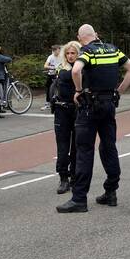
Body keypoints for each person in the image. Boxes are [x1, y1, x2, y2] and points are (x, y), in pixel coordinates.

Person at [57, 24, 130, 213]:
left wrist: (78, 91)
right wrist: (118, 92)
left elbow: (76, 71)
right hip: (109, 105)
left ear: (79, 37)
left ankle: (79, 199)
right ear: (96, 35)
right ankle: (111, 192)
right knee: (109, 146)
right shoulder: (112, 50)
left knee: (85, 150)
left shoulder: (87, 52)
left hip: (89, 106)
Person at [52, 41, 81, 194]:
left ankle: (75, 176)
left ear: (78, 54)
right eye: (68, 53)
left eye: (73, 53)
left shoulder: (82, 68)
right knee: (62, 147)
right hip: (62, 110)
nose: (70, 56)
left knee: (77, 146)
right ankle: (63, 178)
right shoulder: (62, 68)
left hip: (77, 111)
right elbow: (66, 76)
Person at [42, 45, 62, 110]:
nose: (56, 52)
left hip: (59, 73)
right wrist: (52, 67)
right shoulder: (50, 57)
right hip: (51, 73)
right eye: (54, 51)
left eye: (57, 50)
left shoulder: (62, 56)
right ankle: (48, 102)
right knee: (48, 87)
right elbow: (45, 65)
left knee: (62, 86)